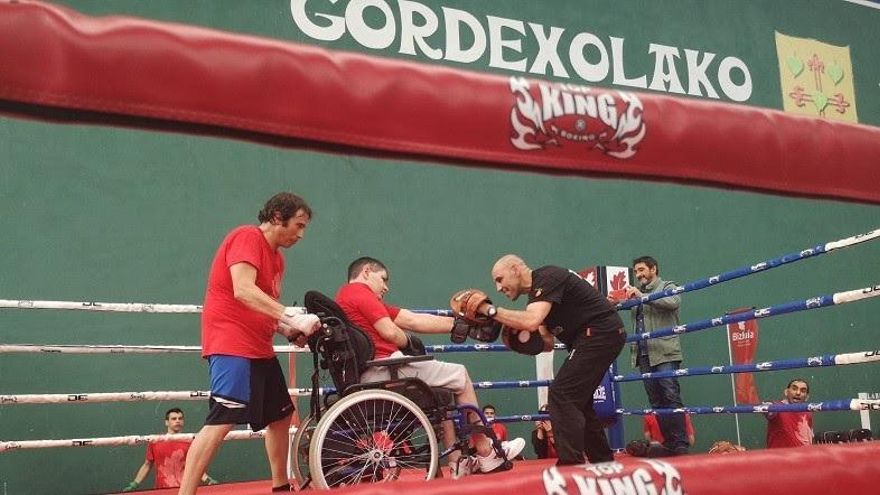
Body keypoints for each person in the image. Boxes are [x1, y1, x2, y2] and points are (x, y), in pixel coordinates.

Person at [178, 192, 322, 495]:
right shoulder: (246, 237)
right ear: (276, 218)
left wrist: (288, 330)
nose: (301, 234)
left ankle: (280, 486)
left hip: (258, 347)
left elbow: (263, 306)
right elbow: (242, 290)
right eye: (298, 225)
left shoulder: (277, 258)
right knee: (222, 419)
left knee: (280, 415)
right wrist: (291, 316)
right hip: (231, 343)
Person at [335, 257, 525, 477]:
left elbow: (412, 319)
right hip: (386, 369)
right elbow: (390, 332)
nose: (386, 286)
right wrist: (408, 342)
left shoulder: (347, 297)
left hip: (376, 371)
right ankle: (486, 453)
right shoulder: (359, 293)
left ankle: (457, 462)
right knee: (460, 375)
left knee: (443, 391)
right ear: (367, 272)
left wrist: (463, 326)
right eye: (383, 279)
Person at [487, 254, 626, 465]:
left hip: (600, 332)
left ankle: (571, 464)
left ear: (515, 269)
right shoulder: (536, 297)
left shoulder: (547, 276)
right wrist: (520, 342)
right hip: (594, 337)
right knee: (579, 402)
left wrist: (490, 311)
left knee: (562, 394)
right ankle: (603, 461)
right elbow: (547, 343)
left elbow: (532, 320)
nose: (498, 288)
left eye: (500, 279)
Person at [612, 256, 689, 456]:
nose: (638, 275)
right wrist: (617, 302)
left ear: (653, 269)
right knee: (656, 401)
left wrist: (642, 297)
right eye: (636, 272)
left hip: (664, 352)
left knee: (671, 396)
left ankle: (680, 443)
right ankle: (670, 443)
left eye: (641, 270)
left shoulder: (667, 285)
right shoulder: (637, 293)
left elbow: (674, 301)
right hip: (643, 354)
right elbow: (627, 306)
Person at [123, 408, 217, 491]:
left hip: (184, 490)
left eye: (180, 418)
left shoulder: (191, 442)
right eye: (174, 419)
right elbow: (147, 465)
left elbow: (195, 467)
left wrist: (208, 480)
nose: (177, 421)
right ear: (166, 422)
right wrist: (135, 484)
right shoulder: (156, 441)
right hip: (162, 490)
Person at [765, 378, 814, 448]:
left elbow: (809, 437)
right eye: (794, 389)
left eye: (803, 391)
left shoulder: (807, 411)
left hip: (802, 456)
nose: (798, 393)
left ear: (807, 397)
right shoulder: (777, 406)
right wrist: (767, 407)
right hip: (780, 457)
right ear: (786, 392)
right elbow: (769, 411)